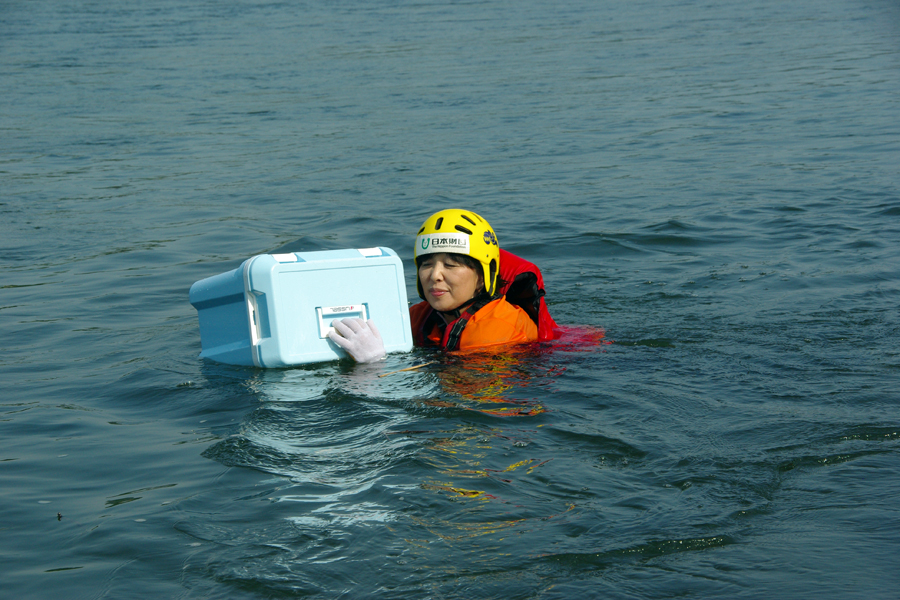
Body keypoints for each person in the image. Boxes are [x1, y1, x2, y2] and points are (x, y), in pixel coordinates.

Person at [328, 209, 558, 362]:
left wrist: (375, 363)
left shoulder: (496, 329)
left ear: (482, 277)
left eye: (451, 265)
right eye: (426, 264)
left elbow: (463, 406)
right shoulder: (422, 315)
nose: (435, 275)